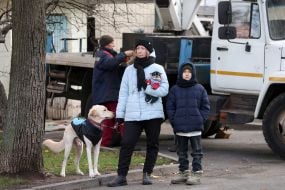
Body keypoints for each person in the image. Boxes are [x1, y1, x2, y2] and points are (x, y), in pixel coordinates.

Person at [107, 39, 169, 187]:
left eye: (142, 48)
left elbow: (163, 90)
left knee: (152, 144)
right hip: (132, 114)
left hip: (153, 113)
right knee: (127, 143)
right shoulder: (129, 70)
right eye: (138, 48)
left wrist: (146, 87)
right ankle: (121, 176)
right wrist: (120, 115)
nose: (140, 51)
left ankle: (147, 173)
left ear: (148, 51)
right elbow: (123, 93)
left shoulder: (157, 69)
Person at [166, 63, 210, 185]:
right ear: (181, 74)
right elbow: (170, 107)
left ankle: (196, 174)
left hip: (195, 126)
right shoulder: (175, 89)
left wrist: (201, 119)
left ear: (193, 74)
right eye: (184, 72)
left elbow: (205, 107)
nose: (187, 74)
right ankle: (183, 173)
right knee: (181, 151)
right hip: (180, 126)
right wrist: (174, 120)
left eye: (189, 72)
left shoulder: (200, 89)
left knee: (197, 151)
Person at [92, 35, 133, 147]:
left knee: (109, 119)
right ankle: (126, 142)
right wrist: (124, 54)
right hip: (108, 93)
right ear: (108, 44)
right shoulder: (103, 55)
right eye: (112, 42)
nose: (114, 44)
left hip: (106, 93)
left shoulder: (103, 54)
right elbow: (111, 63)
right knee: (118, 116)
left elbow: (113, 62)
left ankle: (106, 142)